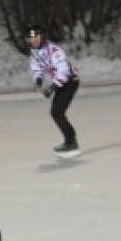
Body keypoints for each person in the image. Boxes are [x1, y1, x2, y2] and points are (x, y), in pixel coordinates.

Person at [26, 24, 80, 158]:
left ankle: (72, 143)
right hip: (62, 82)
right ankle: (70, 140)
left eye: (36, 37)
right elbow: (37, 68)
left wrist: (52, 87)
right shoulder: (34, 52)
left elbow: (63, 71)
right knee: (56, 112)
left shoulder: (54, 50)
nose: (34, 41)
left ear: (41, 36)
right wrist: (38, 80)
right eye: (31, 38)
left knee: (57, 112)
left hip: (69, 81)